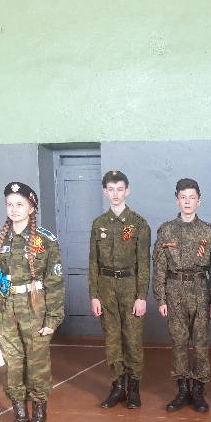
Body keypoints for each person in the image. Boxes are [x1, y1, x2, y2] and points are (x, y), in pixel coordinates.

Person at [0, 182, 65, 422]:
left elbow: (55, 281)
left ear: (31, 208)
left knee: (37, 365)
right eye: (10, 204)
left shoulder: (45, 240)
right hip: (6, 310)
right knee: (13, 366)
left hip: (34, 309)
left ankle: (39, 417)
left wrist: (53, 317)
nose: (14, 209)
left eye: (20, 204)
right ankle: (20, 416)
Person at [153, 178, 211, 412]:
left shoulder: (208, 231)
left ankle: (199, 391)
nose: (188, 202)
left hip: (201, 291)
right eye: (183, 197)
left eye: (192, 197)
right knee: (179, 342)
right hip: (174, 291)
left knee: (201, 344)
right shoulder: (166, 230)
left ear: (199, 201)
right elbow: (159, 266)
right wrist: (161, 298)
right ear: (177, 200)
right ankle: (182, 389)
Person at [89, 170, 150, 409]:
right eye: (111, 189)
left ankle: (133, 388)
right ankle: (117, 386)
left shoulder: (138, 224)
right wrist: (94, 295)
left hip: (130, 286)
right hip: (106, 287)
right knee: (112, 339)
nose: (115, 194)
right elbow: (93, 262)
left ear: (127, 191)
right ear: (105, 192)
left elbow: (143, 263)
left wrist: (141, 296)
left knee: (132, 339)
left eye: (120, 189)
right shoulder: (99, 224)